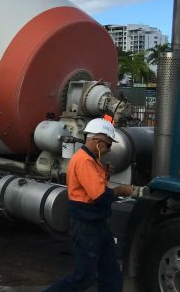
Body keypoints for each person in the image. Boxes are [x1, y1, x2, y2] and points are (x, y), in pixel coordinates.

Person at [45, 118, 134, 292]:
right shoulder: (84, 161)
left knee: (110, 272)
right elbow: (100, 195)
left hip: (97, 223)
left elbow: (94, 187)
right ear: (97, 141)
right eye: (108, 145)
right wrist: (121, 190)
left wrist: (105, 174)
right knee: (84, 277)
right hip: (86, 226)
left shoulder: (92, 161)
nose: (108, 149)